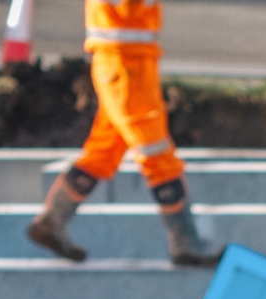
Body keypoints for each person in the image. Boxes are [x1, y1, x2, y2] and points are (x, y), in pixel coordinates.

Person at [26, 0, 220, 266]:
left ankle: (51, 222)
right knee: (157, 155)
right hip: (127, 66)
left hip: (125, 62)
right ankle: (185, 242)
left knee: (103, 152)